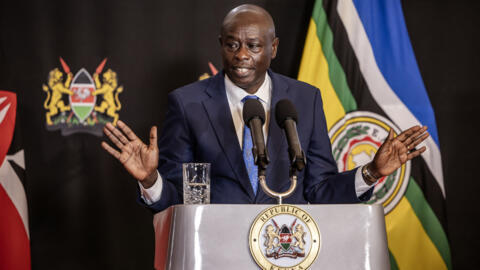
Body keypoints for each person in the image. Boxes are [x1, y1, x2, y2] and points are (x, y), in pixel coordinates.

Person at [101, 4, 429, 213]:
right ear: (221, 45)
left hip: (290, 250)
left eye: (254, 46)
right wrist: (150, 179)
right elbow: (178, 201)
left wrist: (372, 171)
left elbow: (318, 189)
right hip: (217, 255)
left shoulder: (305, 99)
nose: (241, 54)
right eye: (232, 44)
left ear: (272, 48)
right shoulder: (187, 103)